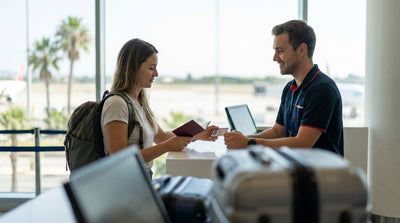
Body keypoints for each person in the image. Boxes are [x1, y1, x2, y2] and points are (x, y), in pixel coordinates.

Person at [224, 20, 343, 156]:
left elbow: (302, 143)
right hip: (295, 169)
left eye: (280, 51)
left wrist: (248, 143)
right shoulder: (290, 88)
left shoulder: (322, 89)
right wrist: (242, 140)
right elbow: (277, 132)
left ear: (301, 50)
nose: (275, 58)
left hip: (319, 174)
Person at [101, 38, 218, 175]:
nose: (156, 74)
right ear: (132, 68)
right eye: (151, 68)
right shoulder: (117, 104)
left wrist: (196, 135)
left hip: (142, 178)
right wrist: (166, 147)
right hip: (125, 184)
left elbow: (161, 137)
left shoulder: (139, 102)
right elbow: (119, 158)